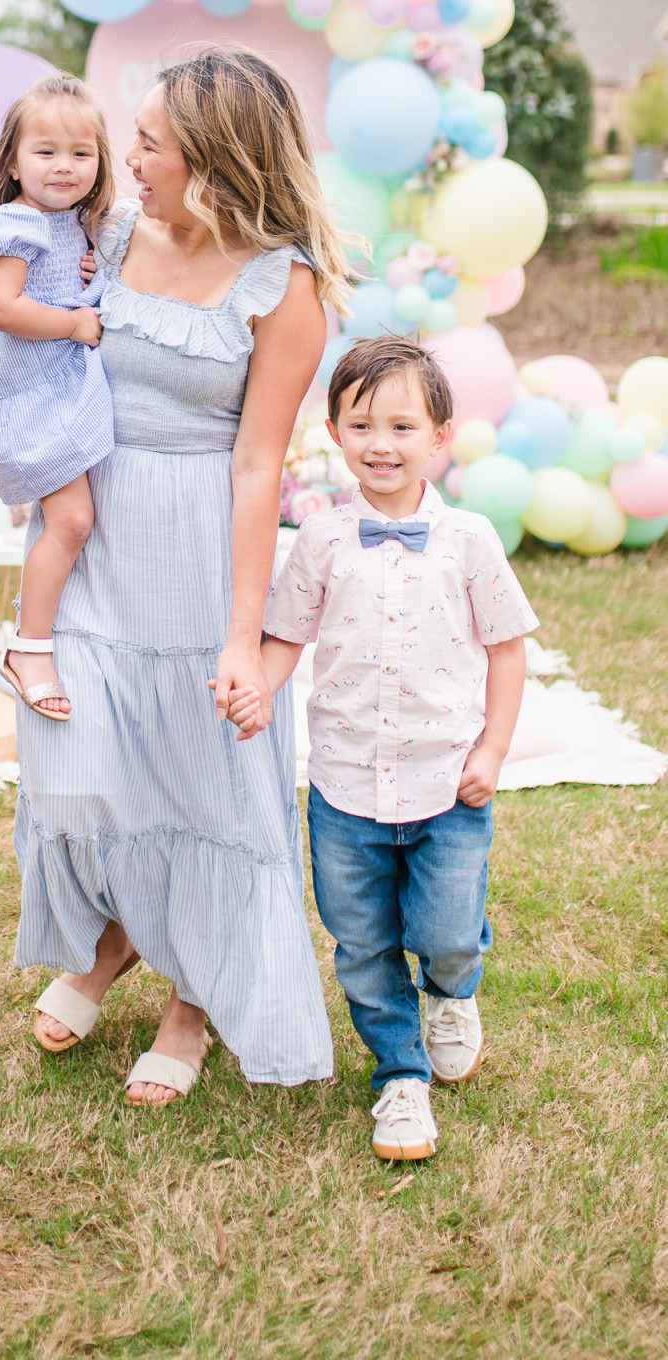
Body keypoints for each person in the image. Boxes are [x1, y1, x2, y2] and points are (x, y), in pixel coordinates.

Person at [17, 48, 348, 1104]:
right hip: (91, 537)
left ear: (212, 157)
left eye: (152, 138)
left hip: (202, 543)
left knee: (208, 779)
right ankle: (113, 935)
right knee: (87, 755)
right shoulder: (105, 232)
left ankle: (192, 999)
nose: (132, 154)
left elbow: (260, 463)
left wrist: (243, 634)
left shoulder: (283, 285)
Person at [261, 334, 536, 1162]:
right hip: (344, 788)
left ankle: (452, 990)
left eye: (401, 427)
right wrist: (254, 689)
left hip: (448, 785)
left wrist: (490, 751)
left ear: (439, 437)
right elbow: (284, 636)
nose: (380, 445)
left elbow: (506, 649)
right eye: (361, 425)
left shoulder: (469, 542)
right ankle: (399, 1075)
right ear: (334, 432)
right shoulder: (317, 539)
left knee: (445, 928)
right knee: (360, 939)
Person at [0, 74, 117, 720]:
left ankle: (62, 636)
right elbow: (0, 306)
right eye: (45, 151)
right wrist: (73, 322)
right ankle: (28, 647)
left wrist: (94, 269)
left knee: (86, 522)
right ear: (12, 161)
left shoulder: (74, 227)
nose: (63, 166)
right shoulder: (16, 222)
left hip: (62, 394)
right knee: (72, 521)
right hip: (31, 399)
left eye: (80, 153)